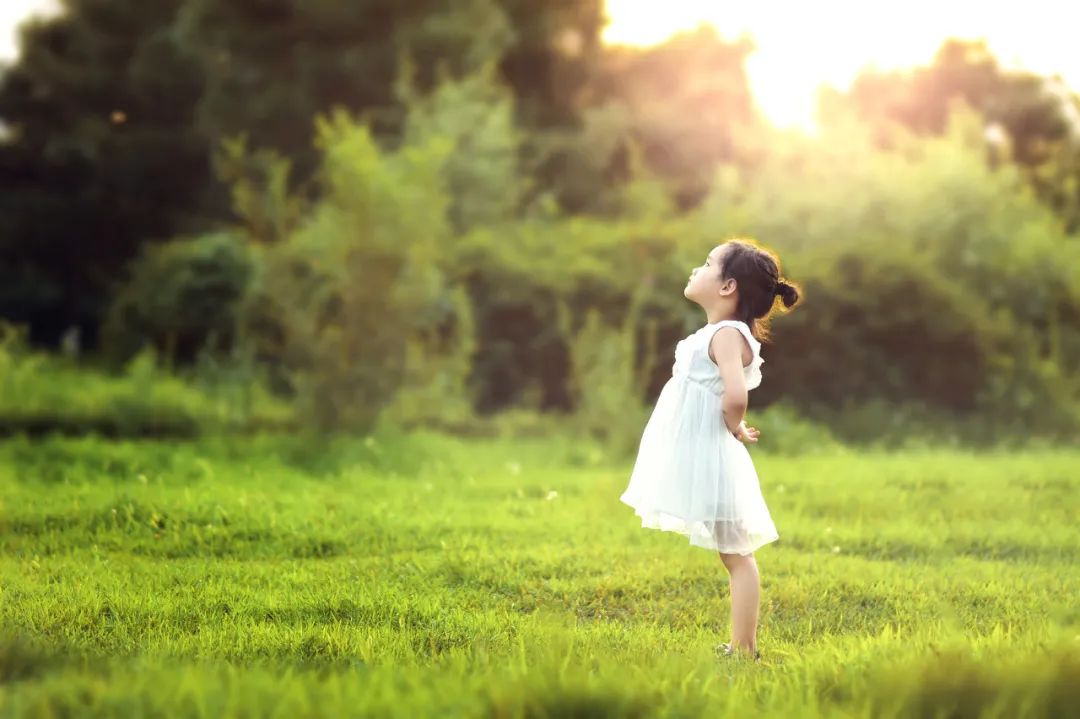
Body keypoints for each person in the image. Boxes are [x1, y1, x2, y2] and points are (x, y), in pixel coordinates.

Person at [619, 238, 802, 662]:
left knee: (737, 555)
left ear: (727, 287)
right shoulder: (719, 333)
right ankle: (742, 646)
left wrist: (734, 424)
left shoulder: (725, 335)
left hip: (713, 457)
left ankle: (744, 649)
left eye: (706, 264)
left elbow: (735, 394)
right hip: (706, 453)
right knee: (733, 554)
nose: (695, 269)